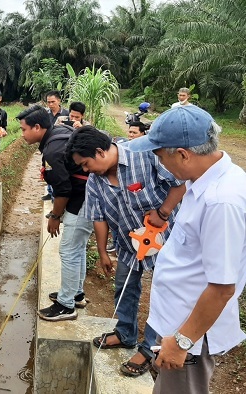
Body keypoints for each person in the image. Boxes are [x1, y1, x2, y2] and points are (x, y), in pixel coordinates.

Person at [128, 105, 246, 393]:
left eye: (161, 157)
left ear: (183, 153)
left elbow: (222, 288)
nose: (162, 165)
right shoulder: (203, 183)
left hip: (188, 336)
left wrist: (182, 342)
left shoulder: (221, 201)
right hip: (177, 326)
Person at [67, 127, 185, 377]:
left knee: (162, 294)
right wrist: (102, 251)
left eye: (86, 164)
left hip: (164, 241)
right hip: (127, 244)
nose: (86, 171)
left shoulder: (145, 156)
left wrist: (162, 213)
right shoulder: (96, 182)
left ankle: (150, 350)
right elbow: (99, 217)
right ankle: (125, 333)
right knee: (124, 286)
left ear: (100, 152)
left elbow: (180, 184)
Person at [18, 105, 92, 321]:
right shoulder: (59, 133)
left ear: (38, 127)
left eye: (24, 129)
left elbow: (63, 189)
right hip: (87, 197)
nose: (22, 134)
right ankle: (75, 294)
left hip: (82, 201)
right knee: (78, 249)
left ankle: (66, 305)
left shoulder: (53, 150)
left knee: (69, 251)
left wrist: (55, 217)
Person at [42, 91, 70, 201]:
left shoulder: (67, 114)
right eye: (48, 102)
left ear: (59, 101)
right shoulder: (45, 115)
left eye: (53, 102)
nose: (50, 104)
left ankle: (57, 195)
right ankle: (50, 191)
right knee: (48, 168)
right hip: (47, 146)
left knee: (58, 170)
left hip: (61, 148)